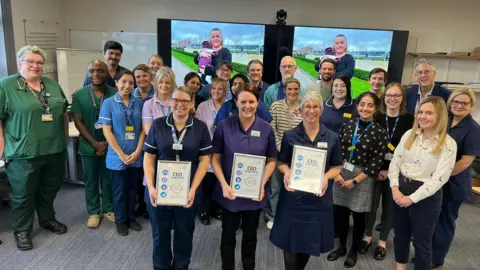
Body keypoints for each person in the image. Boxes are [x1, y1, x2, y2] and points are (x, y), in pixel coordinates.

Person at [0, 45, 69, 250]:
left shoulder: (52, 85)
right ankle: (22, 230)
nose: (35, 66)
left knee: (49, 189)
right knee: (23, 194)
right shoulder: (6, 86)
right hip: (23, 153)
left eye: (39, 62)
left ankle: (47, 219)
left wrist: (63, 140)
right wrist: (2, 150)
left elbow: (63, 113)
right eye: (30, 61)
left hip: (54, 149)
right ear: (20, 63)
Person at [270, 90, 343, 270]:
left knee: (309, 243)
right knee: (290, 245)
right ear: (300, 110)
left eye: (315, 106)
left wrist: (326, 176)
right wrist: (286, 171)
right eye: (307, 107)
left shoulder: (332, 137)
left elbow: (337, 167)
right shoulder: (290, 136)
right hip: (294, 200)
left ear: (321, 110)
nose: (311, 111)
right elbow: (282, 163)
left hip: (318, 200)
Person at [144, 86, 212, 270]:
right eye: (176, 100)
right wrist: (150, 186)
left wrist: (193, 188)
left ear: (191, 103)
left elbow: (205, 160)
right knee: (160, 235)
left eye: (184, 101)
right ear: (170, 101)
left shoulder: (200, 127)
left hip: (188, 192)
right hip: (159, 191)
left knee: (184, 234)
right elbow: (149, 156)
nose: (179, 104)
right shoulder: (158, 124)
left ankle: (181, 267)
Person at [211, 83, 277, 270]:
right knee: (228, 235)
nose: (247, 106)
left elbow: (272, 160)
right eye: (243, 102)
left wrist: (261, 185)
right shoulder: (224, 126)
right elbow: (215, 159)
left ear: (258, 103)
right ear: (235, 102)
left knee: (250, 236)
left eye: (252, 101)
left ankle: (249, 266)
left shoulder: (266, 128)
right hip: (229, 192)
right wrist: (223, 184)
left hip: (253, 194)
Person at [388, 96, 457, 270]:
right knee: (400, 235)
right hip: (401, 189)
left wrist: (411, 199)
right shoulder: (409, 135)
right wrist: (395, 188)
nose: (422, 116)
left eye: (429, 113)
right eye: (420, 112)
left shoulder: (448, 144)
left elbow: (439, 179)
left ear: (440, 116)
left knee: (422, 242)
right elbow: (395, 162)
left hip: (426, 196)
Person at [327, 92, 388, 268]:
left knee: (359, 216)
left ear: (375, 108)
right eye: (362, 104)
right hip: (341, 172)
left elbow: (375, 164)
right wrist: (337, 174)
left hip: (363, 178)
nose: (365, 108)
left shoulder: (380, 132)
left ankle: (354, 250)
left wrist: (354, 181)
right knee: (340, 214)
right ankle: (341, 247)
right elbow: (336, 149)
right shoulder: (348, 124)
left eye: (370, 105)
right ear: (357, 106)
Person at [360, 83, 414, 260]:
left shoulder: (410, 121)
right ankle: (367, 237)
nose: (392, 98)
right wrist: (377, 170)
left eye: (396, 95)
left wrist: (390, 172)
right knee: (371, 206)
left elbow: (410, 150)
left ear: (402, 99)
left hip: (397, 173)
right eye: (389, 95)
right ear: (384, 98)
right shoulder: (376, 117)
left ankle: (382, 241)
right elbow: (367, 146)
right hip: (374, 171)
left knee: (390, 208)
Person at [431, 88, 480, 268]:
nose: (459, 106)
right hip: (436, 181)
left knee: (445, 220)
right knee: (433, 218)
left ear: (471, 106)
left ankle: (436, 259)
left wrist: (440, 177)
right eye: (456, 102)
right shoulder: (446, 121)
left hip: (454, 183)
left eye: (464, 103)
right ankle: (427, 252)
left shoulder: (473, 129)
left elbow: (465, 162)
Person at [98, 70, 146, 236]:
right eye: (123, 82)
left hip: (135, 155)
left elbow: (142, 130)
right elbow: (107, 131)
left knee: (133, 189)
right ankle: (120, 220)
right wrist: (121, 154)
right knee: (119, 191)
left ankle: (131, 218)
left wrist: (138, 151)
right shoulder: (109, 103)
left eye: (131, 83)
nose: (127, 86)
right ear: (116, 83)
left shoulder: (139, 102)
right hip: (116, 157)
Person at [71, 60, 116, 229]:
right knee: (90, 180)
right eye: (92, 71)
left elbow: (118, 121)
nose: (96, 74)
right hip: (88, 146)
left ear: (107, 73)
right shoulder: (80, 95)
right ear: (88, 73)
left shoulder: (114, 93)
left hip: (110, 145)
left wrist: (105, 143)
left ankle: (108, 209)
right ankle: (94, 211)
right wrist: (96, 144)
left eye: (100, 71)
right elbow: (78, 121)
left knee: (107, 178)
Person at [264, 78, 303, 229]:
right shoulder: (276, 106)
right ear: (284, 91)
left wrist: (296, 152)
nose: (292, 92)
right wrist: (282, 148)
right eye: (289, 89)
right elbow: (272, 130)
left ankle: (292, 215)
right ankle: (272, 216)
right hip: (278, 153)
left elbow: (304, 131)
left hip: (298, 155)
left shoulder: (303, 107)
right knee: (275, 188)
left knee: (295, 188)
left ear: (299, 90)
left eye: (295, 89)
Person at [196, 77, 228, 225]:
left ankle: (216, 208)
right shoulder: (203, 106)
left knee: (219, 182)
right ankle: (203, 211)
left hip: (224, 150)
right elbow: (197, 128)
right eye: (214, 88)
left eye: (220, 89)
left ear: (225, 91)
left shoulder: (228, 106)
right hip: (207, 149)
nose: (216, 91)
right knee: (206, 183)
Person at [132, 64, 157, 219]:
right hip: (133, 144)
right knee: (137, 177)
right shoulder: (130, 95)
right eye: (138, 77)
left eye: (144, 76)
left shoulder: (158, 94)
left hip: (153, 145)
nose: (141, 79)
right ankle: (140, 203)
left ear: (151, 77)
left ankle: (149, 204)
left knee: (151, 175)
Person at [142, 67, 177, 135]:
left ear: (172, 84)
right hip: (157, 144)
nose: (164, 85)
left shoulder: (178, 102)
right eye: (161, 82)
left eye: (167, 82)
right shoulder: (148, 104)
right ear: (156, 83)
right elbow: (148, 131)